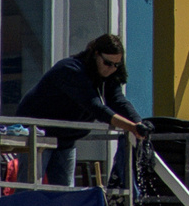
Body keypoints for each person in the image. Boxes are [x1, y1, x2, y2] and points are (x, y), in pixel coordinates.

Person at [14, 33, 147, 186]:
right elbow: (96, 107)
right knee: (29, 190)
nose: (112, 69)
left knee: (66, 196)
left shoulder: (108, 74)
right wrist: (131, 127)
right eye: (108, 63)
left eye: (117, 65)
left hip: (65, 138)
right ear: (96, 55)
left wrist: (138, 122)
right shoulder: (71, 69)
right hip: (38, 134)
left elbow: (118, 101)